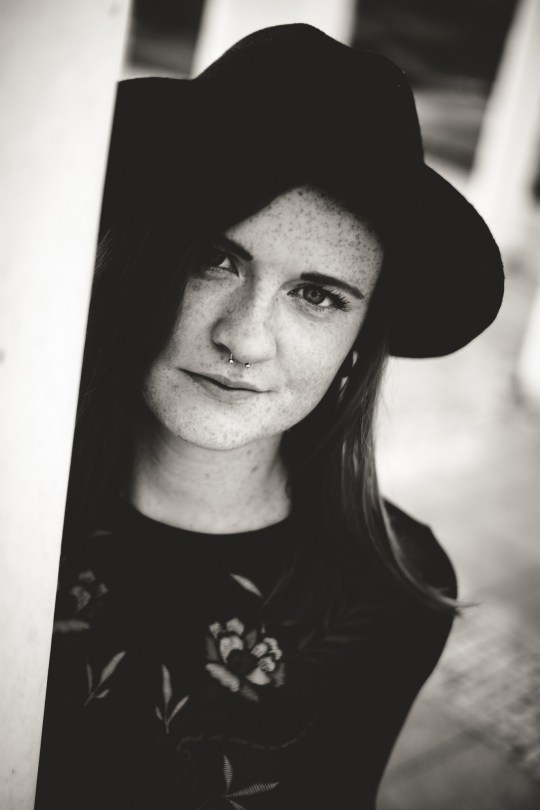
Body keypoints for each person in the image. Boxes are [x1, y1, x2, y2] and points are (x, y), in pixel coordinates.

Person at [35, 23, 504, 810]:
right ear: (140, 261)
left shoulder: (395, 596)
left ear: (359, 341)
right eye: (213, 260)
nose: (244, 338)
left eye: (317, 295)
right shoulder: (16, 512)